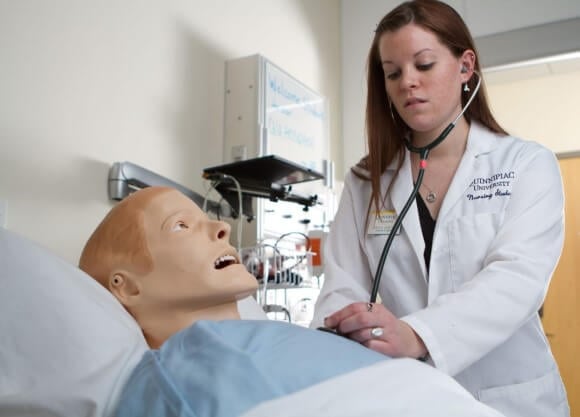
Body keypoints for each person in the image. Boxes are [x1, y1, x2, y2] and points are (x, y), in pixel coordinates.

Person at [310, 1, 569, 417]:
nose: (407, 82)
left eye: (424, 65)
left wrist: (418, 334)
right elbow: (341, 285)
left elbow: (517, 278)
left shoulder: (525, 164)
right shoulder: (365, 183)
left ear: (466, 67)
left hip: (511, 399)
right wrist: (347, 333)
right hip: (406, 397)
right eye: (392, 73)